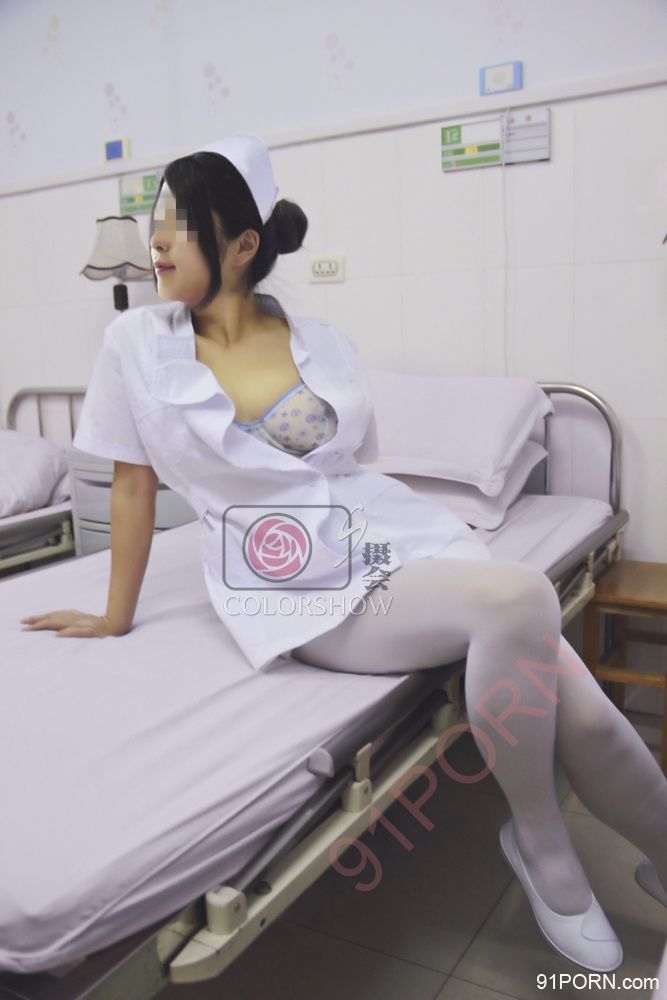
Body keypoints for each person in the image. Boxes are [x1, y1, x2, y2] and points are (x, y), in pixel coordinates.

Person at [20, 135, 667, 972]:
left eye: (179, 223)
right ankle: (542, 843)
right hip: (286, 576)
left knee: (563, 679)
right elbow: (132, 486)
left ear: (242, 244)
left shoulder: (318, 339)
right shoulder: (136, 345)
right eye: (158, 221)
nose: (159, 241)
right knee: (521, 600)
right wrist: (116, 616)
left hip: (390, 532)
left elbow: (349, 465)